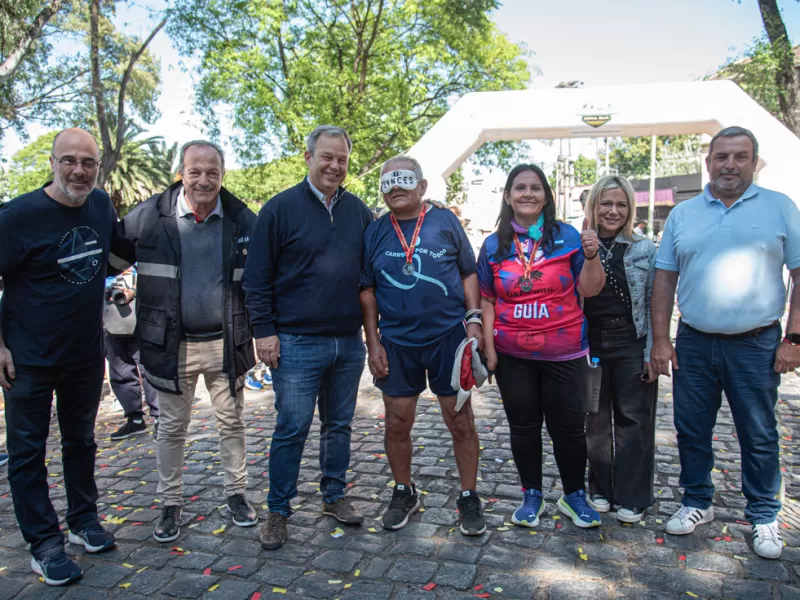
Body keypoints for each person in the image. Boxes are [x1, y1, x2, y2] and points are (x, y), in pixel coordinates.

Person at [651, 126, 800, 560]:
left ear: (755, 162)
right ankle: (698, 502)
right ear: (708, 162)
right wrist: (662, 339)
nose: (730, 165)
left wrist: (794, 338)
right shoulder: (684, 214)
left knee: (758, 432)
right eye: (722, 157)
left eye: (740, 156)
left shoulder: (780, 207)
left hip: (757, 344)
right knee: (691, 429)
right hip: (694, 342)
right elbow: (664, 279)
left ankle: (765, 515)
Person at [111, 140, 258, 543]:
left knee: (232, 423)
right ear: (182, 172)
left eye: (212, 171)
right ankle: (170, 503)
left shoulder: (243, 219)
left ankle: (237, 494)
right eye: (195, 171)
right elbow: (109, 260)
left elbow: (264, 277)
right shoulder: (149, 216)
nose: (204, 179)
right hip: (170, 344)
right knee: (172, 428)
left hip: (226, 342)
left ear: (222, 174)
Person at [243, 125, 374, 550]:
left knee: (339, 425)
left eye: (342, 159)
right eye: (327, 157)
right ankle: (278, 510)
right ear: (308, 157)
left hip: (347, 343)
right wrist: (264, 332)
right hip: (296, 342)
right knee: (292, 427)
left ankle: (333, 496)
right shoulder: (279, 210)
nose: (335, 166)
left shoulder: (358, 211)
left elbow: (370, 278)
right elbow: (257, 278)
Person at [0, 128, 117, 585]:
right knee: (28, 453)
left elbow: (117, 256)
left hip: (85, 354)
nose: (78, 170)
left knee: (82, 441)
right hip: (27, 359)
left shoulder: (102, 206)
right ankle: (44, 543)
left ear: (98, 166)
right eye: (68, 161)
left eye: (88, 162)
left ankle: (83, 521)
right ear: (52, 163)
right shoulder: (18, 216)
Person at [360, 156, 486, 535]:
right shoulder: (375, 230)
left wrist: (475, 320)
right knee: (398, 422)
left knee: (459, 421)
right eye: (388, 182)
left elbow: (468, 272)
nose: (395, 187)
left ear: (422, 186)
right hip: (396, 342)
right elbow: (366, 291)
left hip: (448, 338)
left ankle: (468, 496)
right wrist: (373, 343)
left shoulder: (445, 221)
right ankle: (404, 491)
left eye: (404, 180)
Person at [478, 164, 606, 529]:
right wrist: (489, 350)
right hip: (512, 355)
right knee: (523, 427)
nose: (528, 193)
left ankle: (573, 496)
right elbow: (487, 300)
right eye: (520, 187)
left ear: (547, 196)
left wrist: (593, 255)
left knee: (568, 429)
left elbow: (591, 289)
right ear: (507, 196)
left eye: (536, 187)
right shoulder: (493, 244)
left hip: (564, 352)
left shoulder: (568, 236)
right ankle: (531, 495)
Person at [582, 176, 658, 523]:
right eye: (606, 203)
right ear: (594, 206)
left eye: (621, 204)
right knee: (594, 420)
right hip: (592, 344)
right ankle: (599, 488)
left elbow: (657, 305)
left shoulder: (644, 249)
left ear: (630, 209)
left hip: (632, 342)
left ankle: (633, 495)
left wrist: (654, 351)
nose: (613, 211)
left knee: (635, 421)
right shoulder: (579, 245)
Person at [103, 267, 160, 439]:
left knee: (149, 369)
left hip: (140, 316)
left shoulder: (140, 249)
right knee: (120, 372)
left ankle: (160, 419)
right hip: (109, 317)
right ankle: (134, 420)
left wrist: (134, 291)